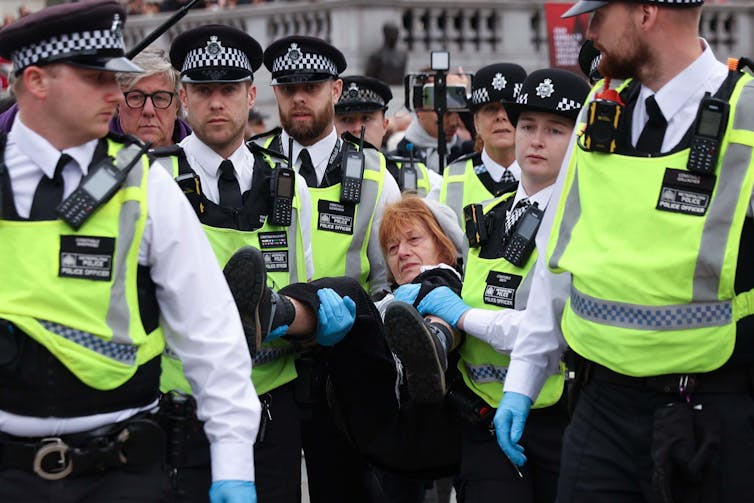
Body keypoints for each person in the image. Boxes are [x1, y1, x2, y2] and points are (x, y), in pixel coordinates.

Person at [0, 2, 260, 503]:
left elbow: (212, 336)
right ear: (36, 81)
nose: (114, 93)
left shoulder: (147, 184)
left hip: (119, 475)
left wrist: (234, 464)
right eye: (97, 78)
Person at [495, 1, 754, 502]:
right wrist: (523, 380)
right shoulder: (599, 109)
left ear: (645, 12)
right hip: (601, 410)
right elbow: (558, 257)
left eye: (598, 14)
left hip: (713, 414)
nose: (588, 32)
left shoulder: (747, 115)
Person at [395, 68, 589, 503]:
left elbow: (544, 330)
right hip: (483, 419)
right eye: (527, 126)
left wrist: (462, 315)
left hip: (560, 417)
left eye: (555, 130)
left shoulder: (584, 222)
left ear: (579, 138)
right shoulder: (491, 215)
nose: (536, 140)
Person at [152, 24, 314, 503]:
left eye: (228, 90)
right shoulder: (153, 179)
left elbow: (300, 286)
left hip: (272, 411)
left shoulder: (290, 185)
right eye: (203, 91)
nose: (216, 102)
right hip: (184, 411)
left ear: (250, 95)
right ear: (183, 98)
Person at [224, 194, 468, 503]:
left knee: (433, 293)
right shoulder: (387, 299)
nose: (402, 252)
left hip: (434, 424)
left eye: (414, 240)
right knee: (348, 298)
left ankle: (433, 342)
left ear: (443, 243)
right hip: (380, 432)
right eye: (392, 248)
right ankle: (269, 314)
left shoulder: (455, 284)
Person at [253, 34, 402, 503]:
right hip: (269, 371)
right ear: (273, 93)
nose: (299, 98)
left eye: (312, 86)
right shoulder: (248, 166)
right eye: (288, 87)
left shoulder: (375, 174)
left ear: (335, 91)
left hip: (342, 371)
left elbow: (389, 281)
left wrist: (357, 322)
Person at [439, 63, 527, 226]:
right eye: (490, 109)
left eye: (509, 109)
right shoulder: (451, 180)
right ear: (476, 122)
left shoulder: (549, 175)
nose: (501, 116)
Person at [334, 74, 439, 197]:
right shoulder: (317, 171)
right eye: (346, 120)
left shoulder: (419, 175)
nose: (357, 128)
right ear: (331, 124)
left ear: (385, 125)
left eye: (366, 118)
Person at [393, 70, 474, 175]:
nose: (454, 122)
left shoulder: (467, 155)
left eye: (459, 112)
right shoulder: (397, 160)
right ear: (419, 110)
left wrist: (465, 99)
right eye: (445, 112)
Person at [112, 46, 192, 147]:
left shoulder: (201, 159)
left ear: (177, 105)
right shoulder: (90, 157)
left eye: (160, 98)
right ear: (117, 104)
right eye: (136, 97)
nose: (148, 110)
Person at [365, 22, 408, 86]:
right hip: (382, 91)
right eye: (392, 32)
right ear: (385, 34)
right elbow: (369, 78)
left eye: (396, 33)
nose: (395, 35)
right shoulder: (376, 56)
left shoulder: (403, 55)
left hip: (399, 90)